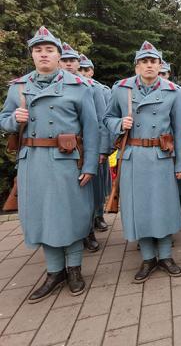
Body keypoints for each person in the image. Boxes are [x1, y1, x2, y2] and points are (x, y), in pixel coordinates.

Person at [0, 26, 99, 302]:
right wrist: (12, 121)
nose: (43, 54)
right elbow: (3, 119)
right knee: (42, 215)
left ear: (59, 55)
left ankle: (75, 269)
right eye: (38, 50)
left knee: (71, 213)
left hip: (68, 160)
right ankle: (54, 272)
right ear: (32, 55)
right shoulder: (19, 88)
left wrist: (90, 165)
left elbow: (91, 130)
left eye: (49, 50)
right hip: (33, 162)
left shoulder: (77, 87)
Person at [104, 41, 181, 282]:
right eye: (144, 61)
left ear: (160, 65)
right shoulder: (121, 89)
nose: (149, 65)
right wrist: (120, 124)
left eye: (153, 61)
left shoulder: (174, 91)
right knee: (139, 208)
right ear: (137, 66)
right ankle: (147, 258)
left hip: (162, 157)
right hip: (134, 157)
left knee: (162, 207)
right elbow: (107, 118)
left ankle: (165, 256)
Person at [59, 43, 109, 252]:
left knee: (87, 192)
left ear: (79, 63)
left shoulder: (93, 88)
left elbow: (101, 121)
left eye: (73, 61)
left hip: (84, 148)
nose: (69, 64)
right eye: (65, 60)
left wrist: (102, 150)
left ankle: (88, 231)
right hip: (59, 151)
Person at [78, 54, 112, 234]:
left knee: (97, 184)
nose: (82, 72)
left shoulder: (101, 90)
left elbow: (104, 121)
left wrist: (104, 148)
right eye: (80, 69)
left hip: (95, 145)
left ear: (91, 71)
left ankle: (98, 214)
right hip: (73, 147)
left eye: (86, 69)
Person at [158, 61, 181, 227]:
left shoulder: (175, 92)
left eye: (164, 74)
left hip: (172, 148)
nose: (162, 77)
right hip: (155, 149)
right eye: (160, 74)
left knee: (180, 185)